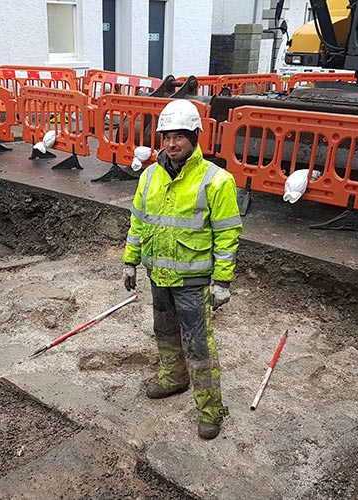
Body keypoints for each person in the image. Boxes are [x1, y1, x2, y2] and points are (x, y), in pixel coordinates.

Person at [122, 99, 242, 440]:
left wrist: (221, 281)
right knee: (165, 333)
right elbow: (138, 222)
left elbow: (227, 234)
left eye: (179, 136)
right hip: (157, 275)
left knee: (199, 346)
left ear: (194, 137)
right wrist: (130, 260)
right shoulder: (148, 177)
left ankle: (210, 409)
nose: (172, 144)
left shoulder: (216, 181)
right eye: (166, 136)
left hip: (192, 281)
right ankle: (173, 378)